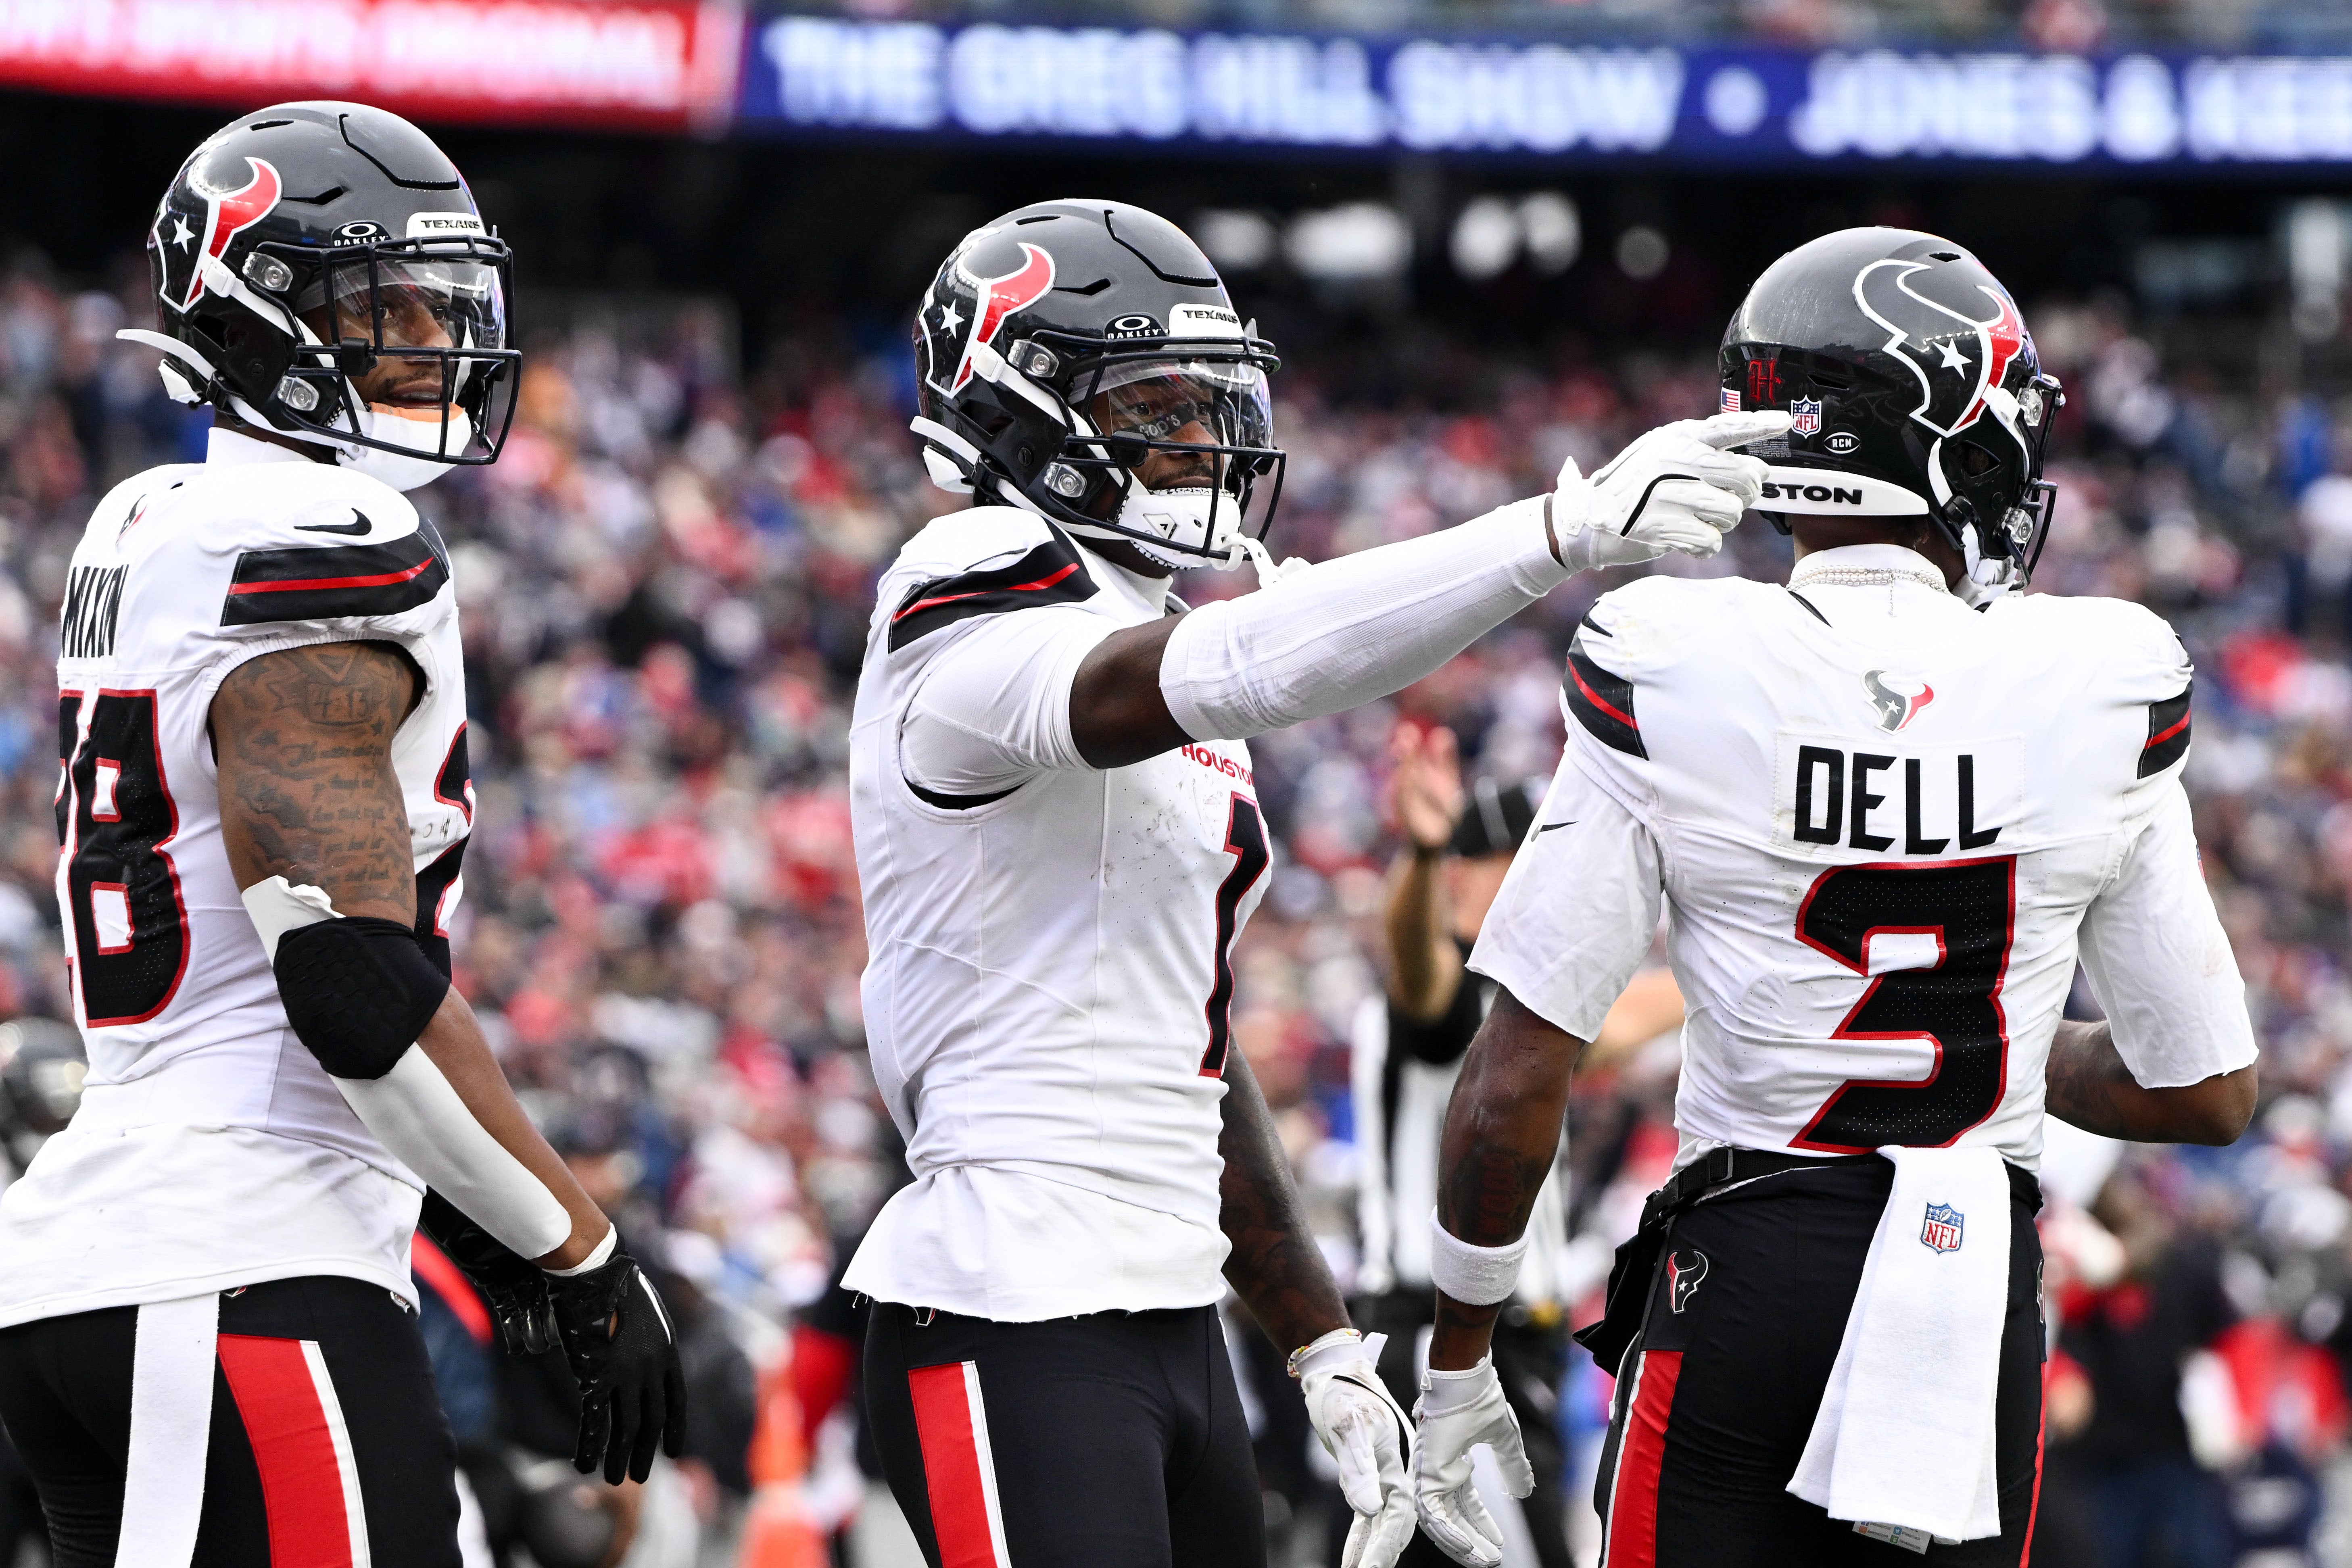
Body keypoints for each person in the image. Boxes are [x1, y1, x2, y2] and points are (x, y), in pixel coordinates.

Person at [848, 197, 1788, 1568]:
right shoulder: (977, 570)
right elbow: (1250, 661)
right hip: (1003, 1297)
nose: (1200, 443)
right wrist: (1559, 530)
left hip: (1170, 1313)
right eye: (1154, 405)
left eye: (1208, 402)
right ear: (1016, 408)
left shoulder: (1155, 638)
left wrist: (1322, 1340)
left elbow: (1194, 1060)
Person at [1408, 227, 2260, 1568]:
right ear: (1936, 438)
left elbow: (1517, 1074)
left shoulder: (1674, 649)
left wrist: (1457, 1352)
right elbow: (2205, 1088)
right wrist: (1988, 1042)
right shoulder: (2101, 671)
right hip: (1976, 1274)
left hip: (1752, 1265)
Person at [0, 103, 682, 1568]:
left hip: (135, 1251)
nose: (430, 341)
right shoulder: (325, 524)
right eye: (383, 306)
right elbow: (345, 971)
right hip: (237, 1256)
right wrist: (579, 1248)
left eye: (442, 304)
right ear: (252, 319)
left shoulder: (151, 516)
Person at [1354, 728, 1575, 1568]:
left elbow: (1629, 1017)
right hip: (1446, 1340)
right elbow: (1418, 971)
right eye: (1518, 859)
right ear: (1463, 876)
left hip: (1502, 1342)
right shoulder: (1457, 992)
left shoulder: (1532, 1000)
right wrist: (1419, 852)